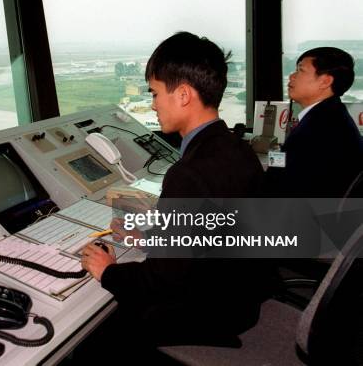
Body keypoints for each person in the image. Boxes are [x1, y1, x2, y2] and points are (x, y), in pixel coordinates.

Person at [79, 32, 272, 354]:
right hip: (240, 293)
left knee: (93, 341)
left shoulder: (189, 174)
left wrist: (108, 270)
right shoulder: (236, 148)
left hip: (211, 310)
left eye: (154, 93)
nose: (153, 105)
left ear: (182, 95)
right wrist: (150, 238)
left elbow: (162, 281)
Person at [266, 47, 363, 198]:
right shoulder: (331, 116)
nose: (291, 76)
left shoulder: (319, 129)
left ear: (325, 81)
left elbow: (280, 185)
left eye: (300, 70)